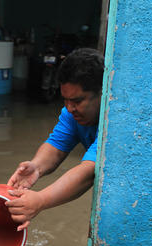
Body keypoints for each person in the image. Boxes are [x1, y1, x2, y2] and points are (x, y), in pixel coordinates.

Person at [6, 48, 104, 230]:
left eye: (77, 101)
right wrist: (36, 167)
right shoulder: (71, 114)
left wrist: (41, 200)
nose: (69, 108)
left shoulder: (114, 122)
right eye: (65, 100)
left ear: (102, 92)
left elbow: (89, 172)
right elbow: (57, 145)